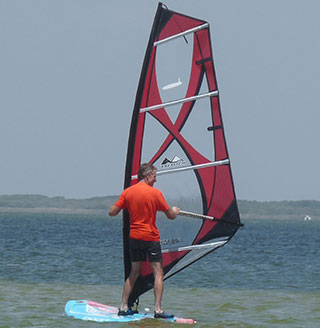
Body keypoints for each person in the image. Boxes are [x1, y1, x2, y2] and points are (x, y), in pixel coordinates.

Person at [109, 163, 180, 319]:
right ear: (147, 176)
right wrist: (175, 211)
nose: (156, 180)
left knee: (134, 272)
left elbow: (112, 212)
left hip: (134, 238)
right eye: (155, 176)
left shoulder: (128, 192)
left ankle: (122, 307)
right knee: (158, 273)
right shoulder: (155, 194)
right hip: (150, 238)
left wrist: (124, 205)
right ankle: (158, 310)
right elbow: (170, 215)